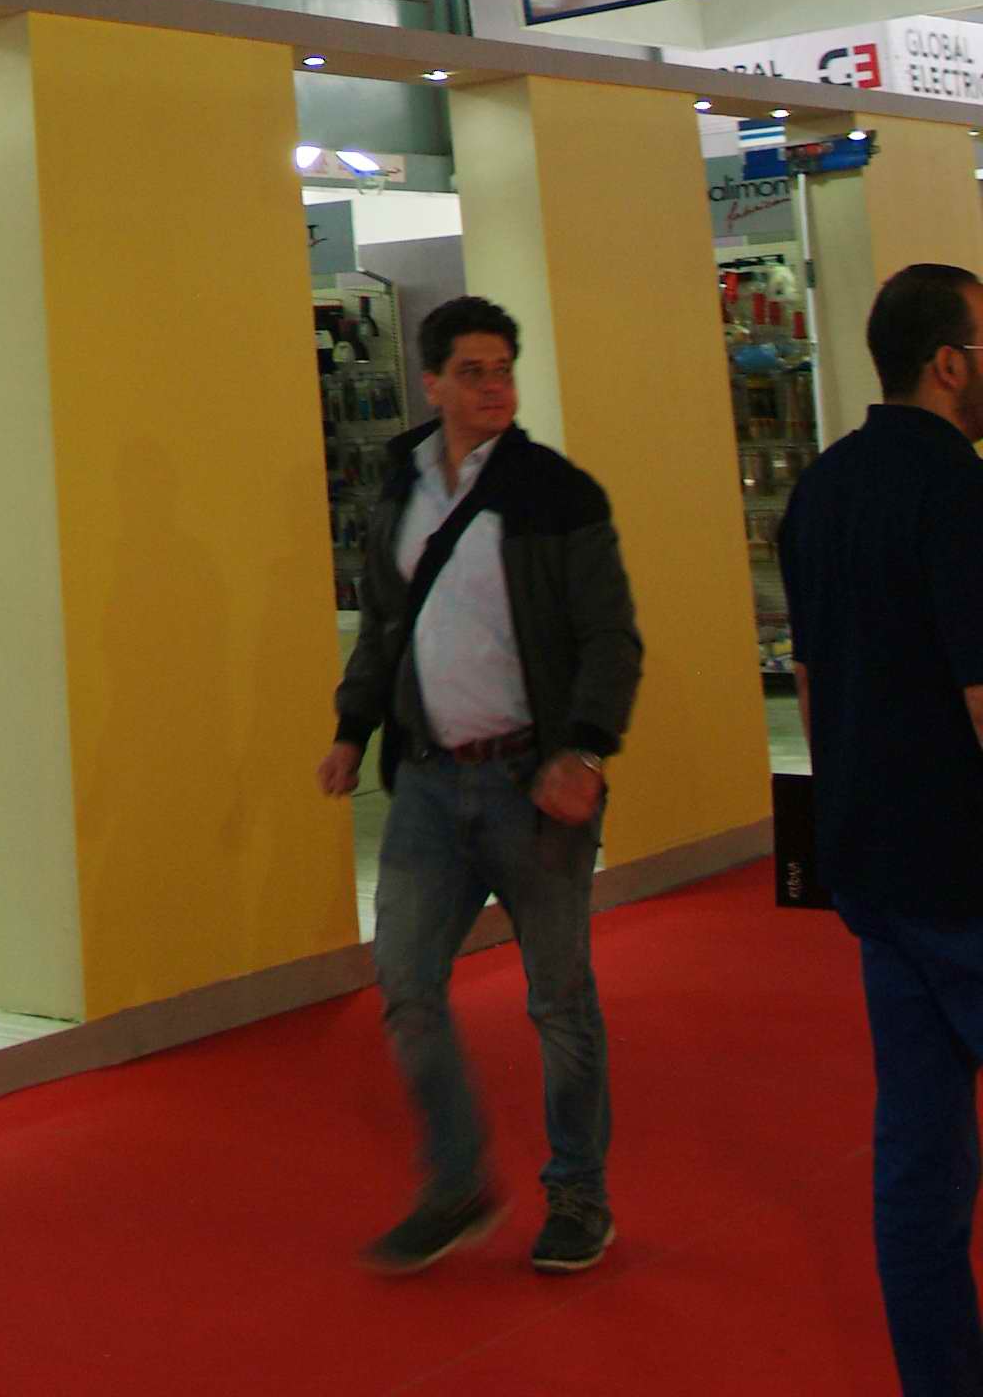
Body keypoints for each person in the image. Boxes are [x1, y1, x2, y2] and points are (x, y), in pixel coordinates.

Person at [318, 294, 643, 1278]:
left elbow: (610, 636)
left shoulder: (557, 494)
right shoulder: (400, 488)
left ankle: (578, 1195)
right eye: (473, 372)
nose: (494, 387)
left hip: (530, 783)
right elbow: (385, 625)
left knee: (559, 1002)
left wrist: (584, 752)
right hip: (427, 782)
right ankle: (457, 1183)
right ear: (432, 383)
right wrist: (352, 729)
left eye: (504, 370)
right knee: (406, 981)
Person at [779, 260, 983, 1395]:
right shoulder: (958, 492)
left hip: (873, 867)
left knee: (920, 1153)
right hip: (965, 869)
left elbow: (811, 685)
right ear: (949, 362)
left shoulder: (823, 488)